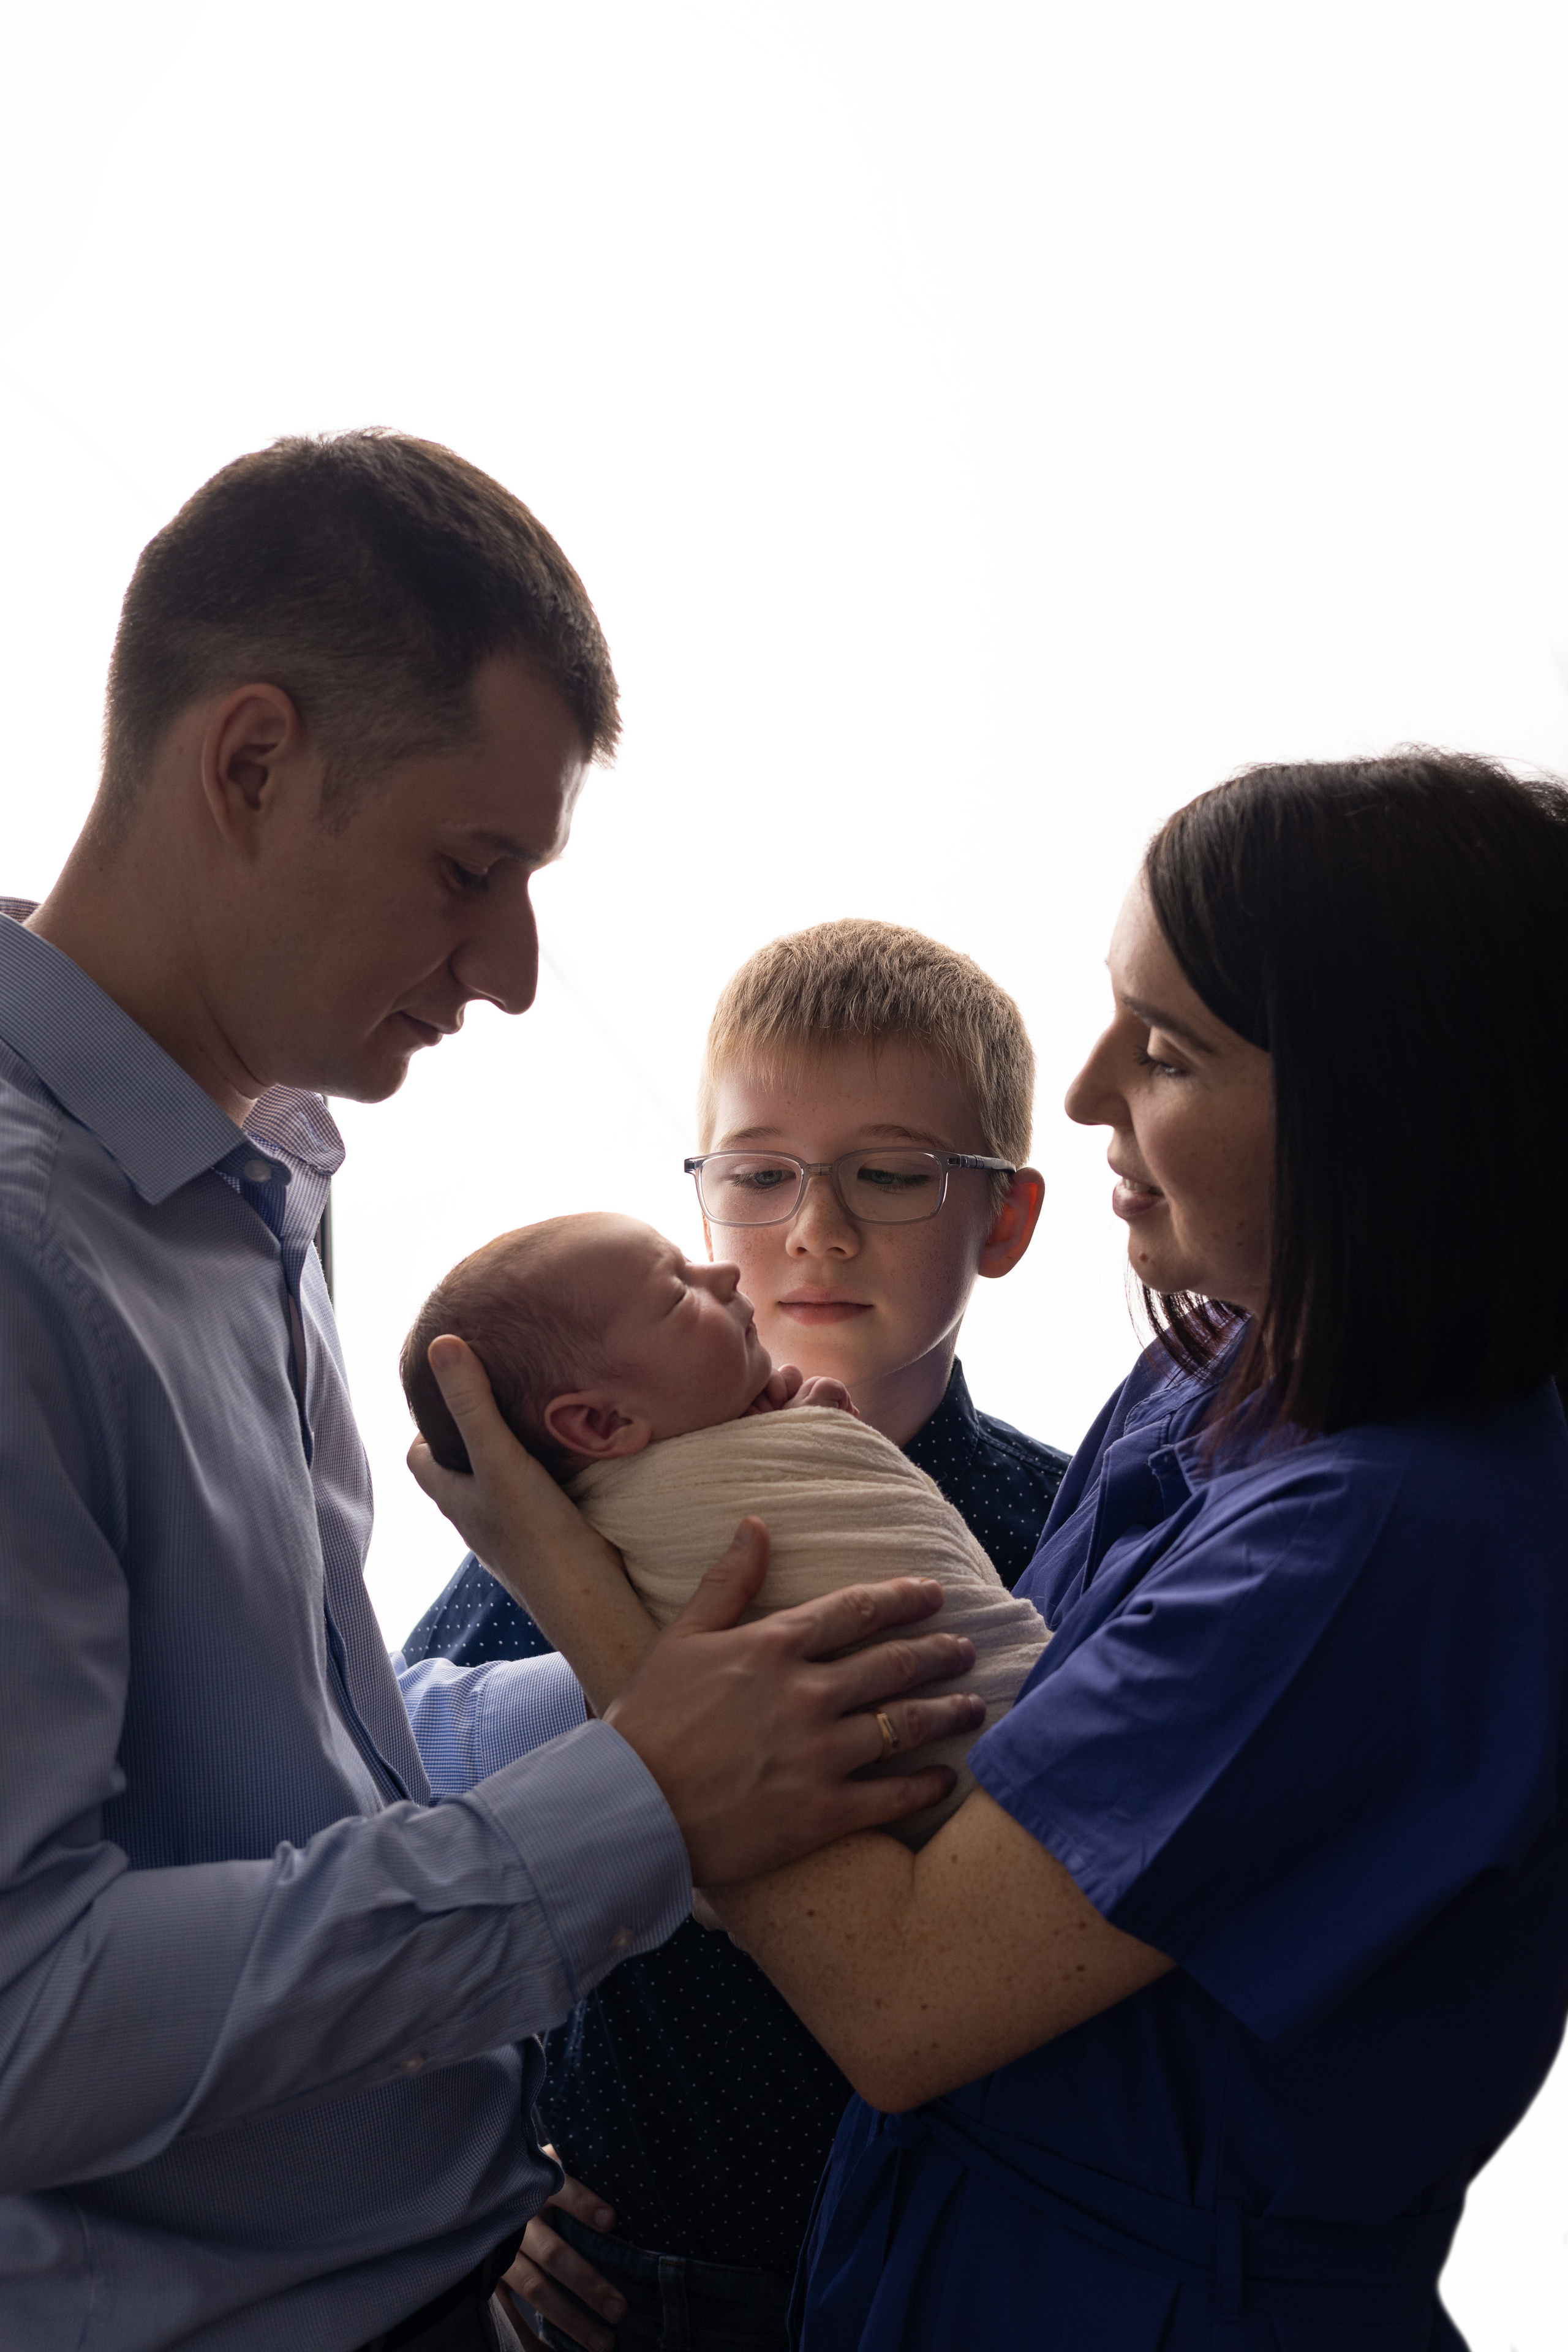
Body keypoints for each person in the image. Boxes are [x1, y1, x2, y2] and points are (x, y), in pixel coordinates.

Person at [0, 435, 982, 2352]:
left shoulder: (245, 1174)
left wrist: (651, 1673)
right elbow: (26, 2019)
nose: (519, 973)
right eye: (473, 869)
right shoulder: (29, 1250)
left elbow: (277, 1776)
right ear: (251, 763)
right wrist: (641, 1802)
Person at [414, 754, 1568, 2351]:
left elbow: (901, 2003)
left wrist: (578, 1590)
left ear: (1388, 1116)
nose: (1087, 1094)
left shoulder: (1384, 1546)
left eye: (1166, 1051)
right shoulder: (1207, 1378)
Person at [403, 922, 1069, 2348]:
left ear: (1002, 1222)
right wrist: (473, 2177)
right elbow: (403, 1816)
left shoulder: (1061, 1525)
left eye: (889, 1174)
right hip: (635, 2268)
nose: (815, 1229)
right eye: (759, 1175)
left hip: (964, 2271)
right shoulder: (574, 1523)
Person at [401, 1212, 1048, 1840]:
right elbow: (406, 1765)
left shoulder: (1043, 1504)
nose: (724, 1273)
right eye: (678, 1293)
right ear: (602, 1424)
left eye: (891, 1180)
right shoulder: (539, 1559)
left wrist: (812, 1442)